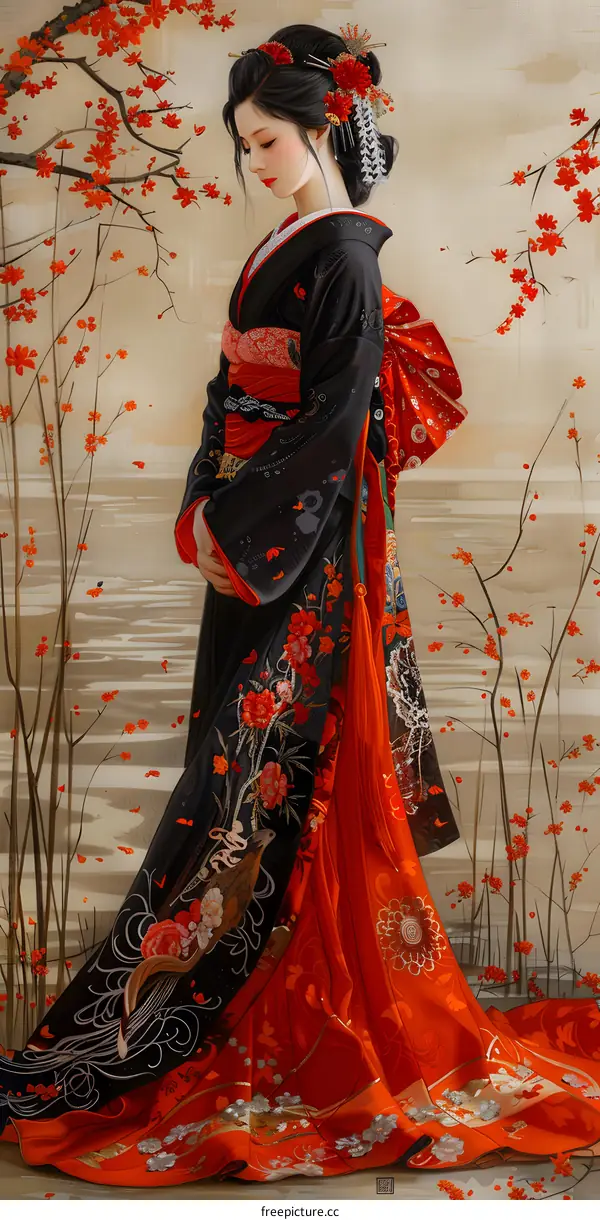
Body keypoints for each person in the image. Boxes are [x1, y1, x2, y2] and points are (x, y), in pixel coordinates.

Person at [0, 22, 599, 1189]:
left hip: (302, 567)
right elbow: (229, 395)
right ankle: (152, 1031)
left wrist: (241, 531)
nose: (254, 162)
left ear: (325, 130)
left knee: (248, 788)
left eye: (268, 140)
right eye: (244, 144)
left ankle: (189, 1027)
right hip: (253, 548)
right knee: (227, 777)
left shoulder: (346, 260)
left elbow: (328, 428)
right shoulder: (289, 247)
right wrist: (203, 509)